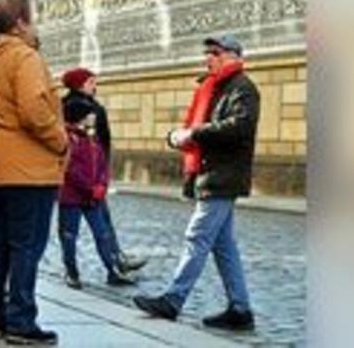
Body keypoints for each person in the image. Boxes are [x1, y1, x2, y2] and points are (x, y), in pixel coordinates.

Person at [133, 35, 260, 331]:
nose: (209, 57)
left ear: (234, 55)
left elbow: (239, 127)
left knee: (197, 236)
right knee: (224, 246)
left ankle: (173, 300)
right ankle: (240, 309)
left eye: (215, 52)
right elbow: (199, 127)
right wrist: (180, 136)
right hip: (211, 173)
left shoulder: (243, 87)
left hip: (223, 176)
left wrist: (194, 134)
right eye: (207, 53)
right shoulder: (213, 87)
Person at [0, 0, 68, 345]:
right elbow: (33, 110)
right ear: (20, 23)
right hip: (28, 168)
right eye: (32, 18)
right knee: (26, 246)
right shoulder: (25, 57)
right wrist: (61, 141)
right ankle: (21, 322)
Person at [61, 67, 148, 273]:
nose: (95, 86)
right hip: (86, 181)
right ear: (79, 85)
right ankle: (115, 261)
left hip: (89, 177)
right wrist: (101, 177)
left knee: (87, 228)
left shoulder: (63, 105)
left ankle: (114, 260)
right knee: (99, 225)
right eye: (91, 82)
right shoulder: (87, 109)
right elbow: (100, 143)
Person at [58, 99, 135, 289]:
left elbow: (102, 164)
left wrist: (102, 184)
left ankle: (112, 271)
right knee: (69, 236)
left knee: (103, 234)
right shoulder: (66, 138)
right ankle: (71, 272)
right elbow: (70, 170)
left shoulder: (91, 138)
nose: (92, 118)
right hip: (71, 196)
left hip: (93, 197)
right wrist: (90, 187)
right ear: (79, 117)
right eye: (89, 115)